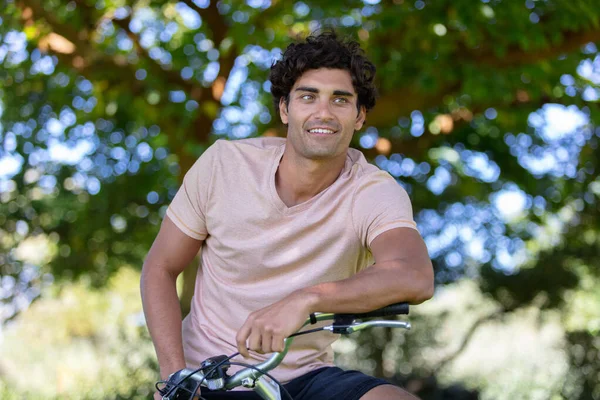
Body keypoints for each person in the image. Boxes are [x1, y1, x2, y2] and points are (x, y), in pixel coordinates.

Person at [141, 30, 434, 400]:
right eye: (308, 96)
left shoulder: (373, 192)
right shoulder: (223, 165)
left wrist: (306, 299)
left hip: (308, 378)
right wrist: (174, 377)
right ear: (285, 109)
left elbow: (415, 276)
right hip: (211, 377)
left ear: (359, 116)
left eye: (340, 100)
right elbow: (160, 268)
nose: (323, 112)